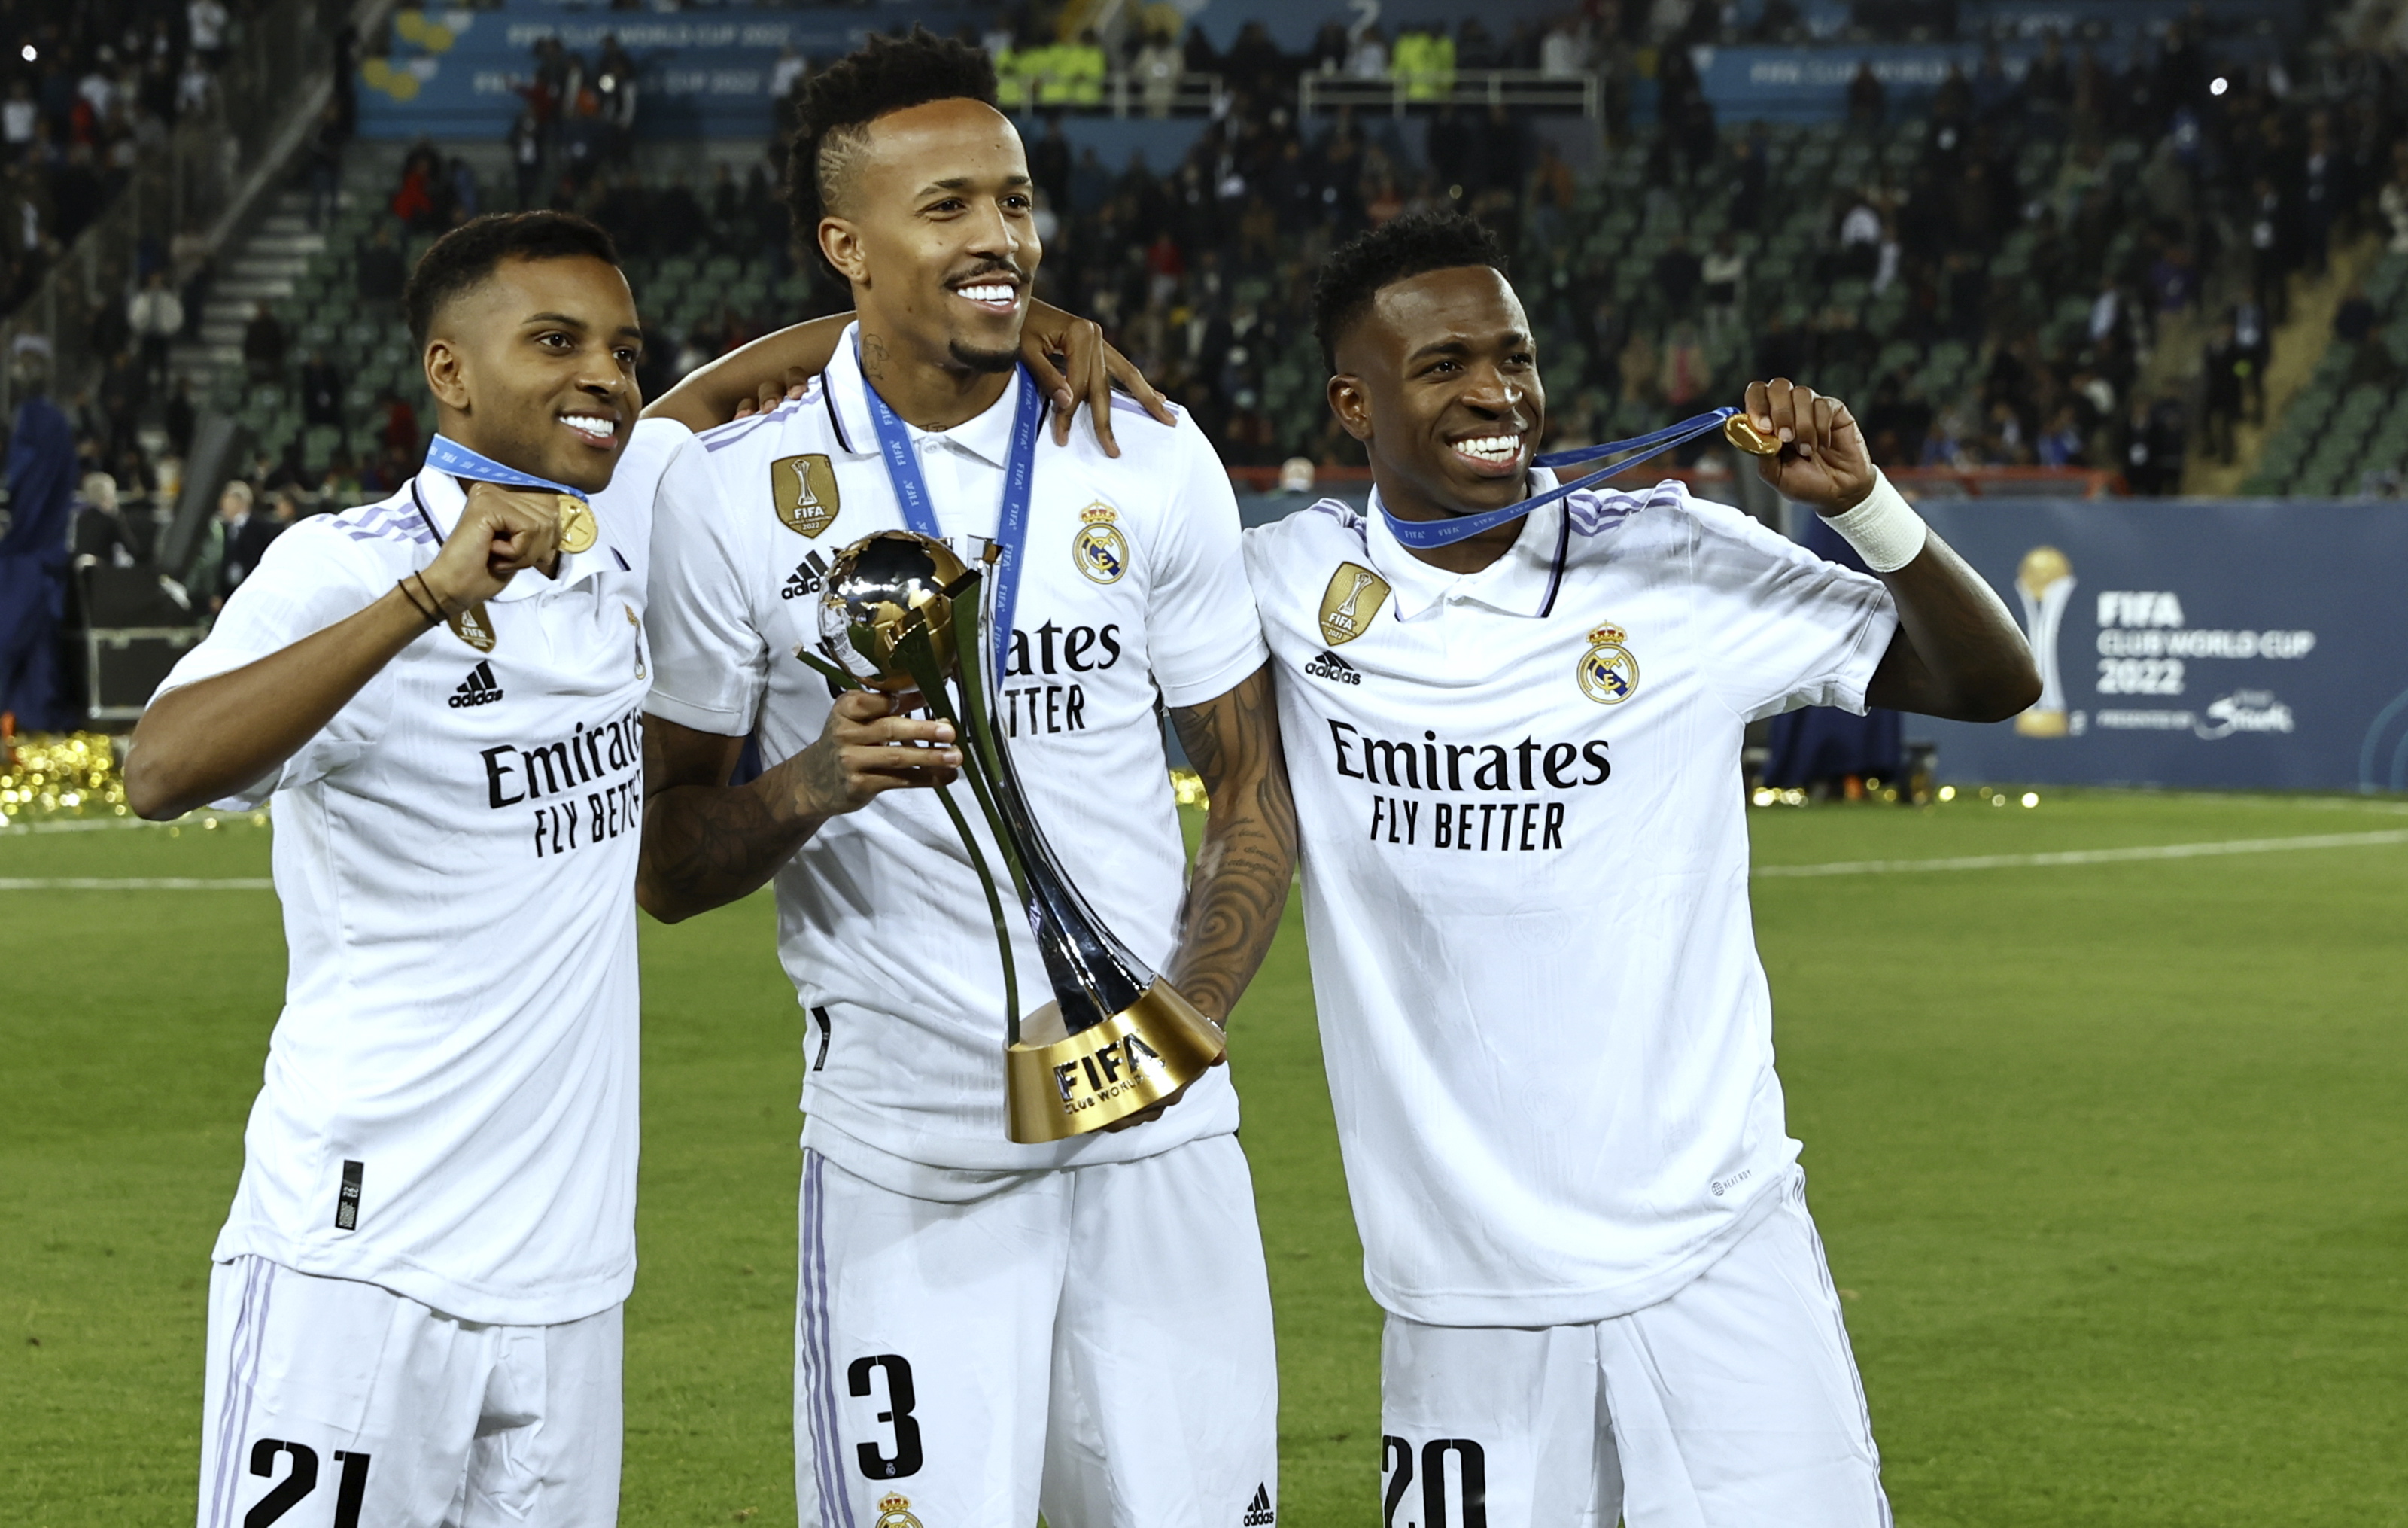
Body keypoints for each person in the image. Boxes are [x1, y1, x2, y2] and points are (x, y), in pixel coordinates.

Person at [1243, 212, 2039, 1526]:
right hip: (1464, 1294)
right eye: (1444, 366)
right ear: (1354, 403)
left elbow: (1993, 679)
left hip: (1717, 1254)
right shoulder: (1282, 584)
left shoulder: (1674, 560)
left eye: (1515, 356)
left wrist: (1864, 507)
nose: (1497, 391)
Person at [629, 30, 1293, 1528]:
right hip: (904, 1170)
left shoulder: (1144, 450)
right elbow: (663, 861)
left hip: (1158, 1154)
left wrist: (1179, 1025)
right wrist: (812, 782)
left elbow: (1250, 789)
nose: (999, 234)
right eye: (947, 208)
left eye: (1015, 200)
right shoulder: (730, 497)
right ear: (843, 247)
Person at [124, 211, 669, 1528]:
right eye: (557, 341)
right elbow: (159, 767)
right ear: (450, 372)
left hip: (568, 1281)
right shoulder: (342, 568)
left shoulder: (617, 543)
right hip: (362, 1260)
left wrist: (1032, 325)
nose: (605, 374)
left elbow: (749, 392)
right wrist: (423, 599)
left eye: (624, 349)